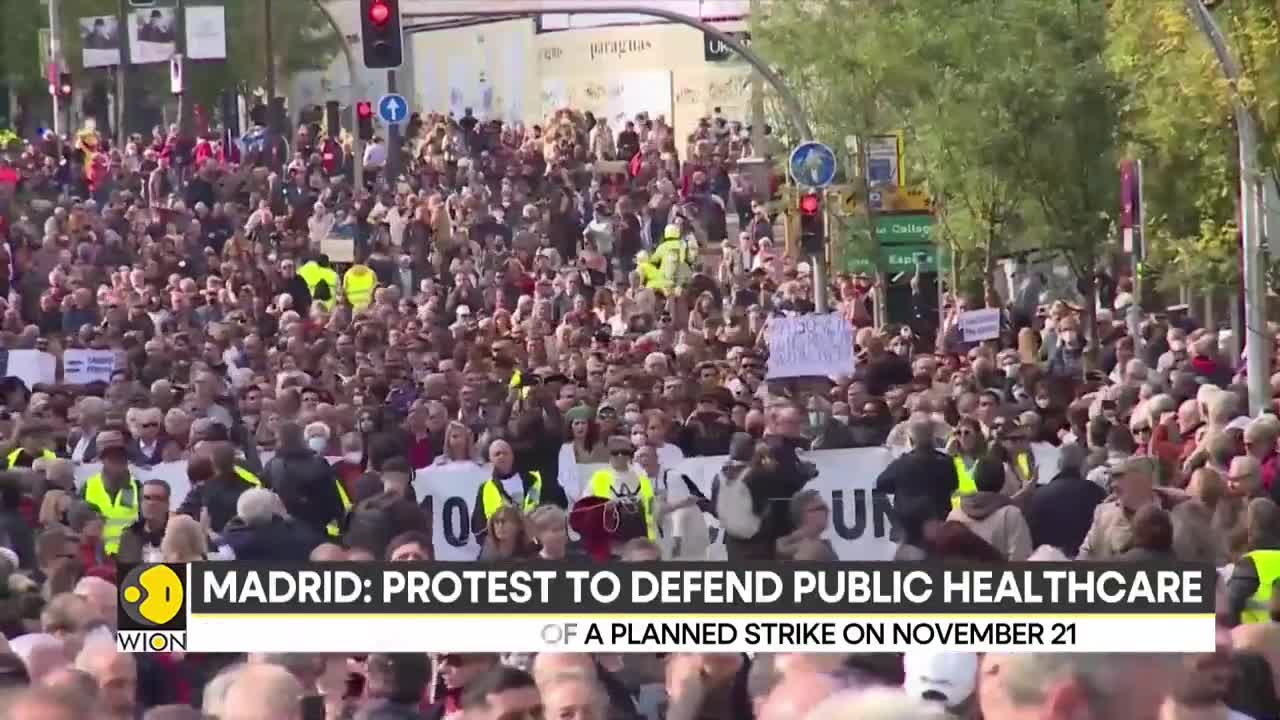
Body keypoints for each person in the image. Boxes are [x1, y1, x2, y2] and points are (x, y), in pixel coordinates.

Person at [263, 421, 346, 538]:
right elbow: (333, 499)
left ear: (279, 440)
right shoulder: (318, 464)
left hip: (282, 531)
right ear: (302, 439)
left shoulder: (271, 466)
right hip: (315, 528)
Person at [947, 457, 1032, 561]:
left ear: (975, 479)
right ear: (1002, 481)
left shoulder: (955, 514)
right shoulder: (1011, 515)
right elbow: (1021, 557)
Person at [876, 419, 958, 524]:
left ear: (911, 439)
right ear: (933, 438)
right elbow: (954, 484)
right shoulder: (946, 462)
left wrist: (901, 488)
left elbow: (881, 484)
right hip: (938, 522)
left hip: (909, 524)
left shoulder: (901, 463)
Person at [470, 440, 548, 541]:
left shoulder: (533, 480)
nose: (502, 456)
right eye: (497, 454)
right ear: (490, 460)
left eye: (505, 453)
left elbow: (548, 511)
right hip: (502, 548)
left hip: (533, 544)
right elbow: (478, 527)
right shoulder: (485, 488)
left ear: (512, 456)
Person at [78, 431, 138, 556]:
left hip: (128, 552)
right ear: (102, 460)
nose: (117, 462)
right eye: (111, 458)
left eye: (121, 458)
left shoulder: (136, 487)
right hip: (95, 553)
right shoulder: (88, 486)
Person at [116, 479, 171, 564]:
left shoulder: (178, 536)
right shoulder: (128, 537)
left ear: (167, 503)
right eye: (147, 498)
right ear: (140, 503)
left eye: (157, 498)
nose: (151, 503)